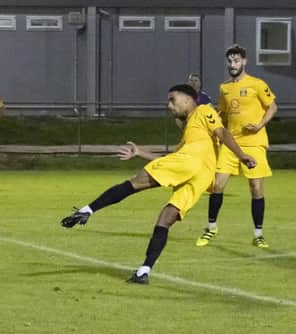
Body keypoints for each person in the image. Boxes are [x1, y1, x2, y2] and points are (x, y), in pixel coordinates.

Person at [60, 84, 256, 284]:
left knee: (133, 184)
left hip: (190, 164)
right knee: (166, 218)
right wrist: (140, 153)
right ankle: (144, 271)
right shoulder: (190, 131)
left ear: (189, 99)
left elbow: (223, 133)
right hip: (201, 175)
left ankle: (87, 210)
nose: (169, 105)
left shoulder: (204, 111)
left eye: (173, 99)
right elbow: (172, 158)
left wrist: (242, 155)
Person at [196, 44, 278, 248]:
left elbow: (273, 106)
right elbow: (220, 113)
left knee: (256, 188)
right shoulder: (224, 88)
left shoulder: (257, 84)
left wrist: (259, 125)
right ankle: (211, 228)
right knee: (217, 185)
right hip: (230, 143)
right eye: (230, 61)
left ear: (244, 61)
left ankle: (258, 234)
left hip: (254, 143)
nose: (233, 64)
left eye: (236, 60)